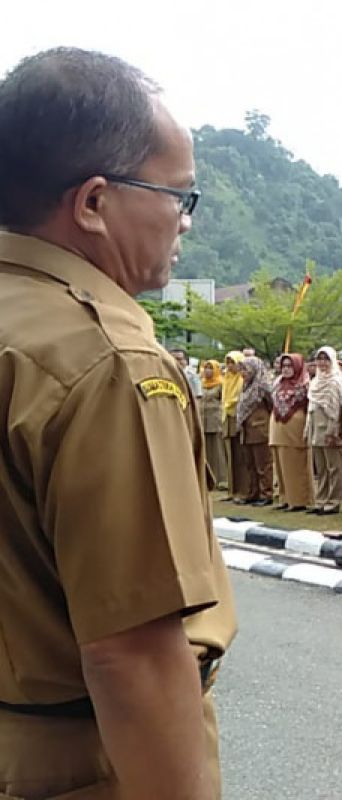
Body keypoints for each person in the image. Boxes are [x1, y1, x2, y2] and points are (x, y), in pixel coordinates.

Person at [0, 47, 236, 798]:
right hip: (78, 762)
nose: (184, 224)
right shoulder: (107, 358)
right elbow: (131, 652)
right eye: (178, 196)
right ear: (94, 202)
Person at [269, 353, 313, 513]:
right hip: (277, 426)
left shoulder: (305, 384)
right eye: (284, 366)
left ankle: (299, 499)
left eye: (290, 366)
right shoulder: (277, 383)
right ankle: (284, 497)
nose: (286, 369)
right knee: (280, 464)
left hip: (295, 427)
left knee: (295, 464)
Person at [305, 346, 342, 515]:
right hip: (315, 427)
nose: (322, 363)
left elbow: (336, 409)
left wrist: (332, 431)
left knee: (334, 467)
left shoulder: (336, 381)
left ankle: (333, 501)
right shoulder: (315, 381)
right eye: (319, 359)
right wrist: (307, 428)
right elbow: (311, 407)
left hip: (328, 427)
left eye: (325, 359)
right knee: (320, 468)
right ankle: (321, 500)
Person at [236, 355, 274, 507]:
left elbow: (272, 405)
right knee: (250, 464)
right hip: (246, 430)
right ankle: (253, 492)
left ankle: (266, 494)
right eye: (242, 370)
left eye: (246, 369)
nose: (243, 373)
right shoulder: (246, 387)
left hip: (260, 428)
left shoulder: (263, 386)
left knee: (263, 464)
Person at [221, 350, 248, 501]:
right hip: (227, 417)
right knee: (230, 455)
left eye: (234, 363)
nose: (231, 366)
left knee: (240, 456)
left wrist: (229, 404)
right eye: (228, 363)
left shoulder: (242, 379)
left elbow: (238, 398)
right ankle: (232, 490)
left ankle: (243, 490)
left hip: (238, 416)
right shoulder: (226, 378)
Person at [199, 359, 227, 488]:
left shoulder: (221, 383)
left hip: (215, 419)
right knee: (206, 449)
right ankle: (207, 477)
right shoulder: (201, 383)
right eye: (206, 368)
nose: (207, 371)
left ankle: (221, 478)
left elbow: (224, 400)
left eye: (210, 368)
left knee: (217, 449)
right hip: (203, 418)